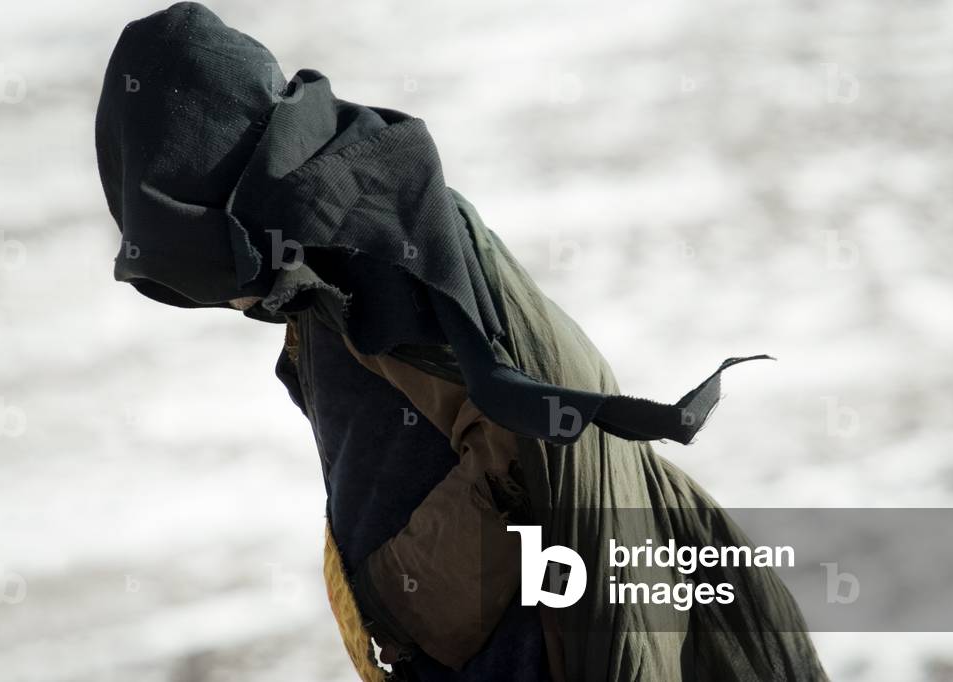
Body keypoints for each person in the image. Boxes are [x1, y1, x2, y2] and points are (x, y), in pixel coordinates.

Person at [95, 4, 828, 680]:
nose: (220, 298)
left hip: (511, 638)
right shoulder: (329, 238)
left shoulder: (372, 250)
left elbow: (530, 463)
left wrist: (422, 595)